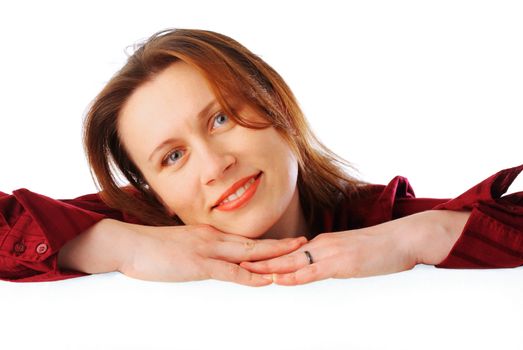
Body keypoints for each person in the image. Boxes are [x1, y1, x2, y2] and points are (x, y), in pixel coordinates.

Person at [1, 29, 522, 286]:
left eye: (222, 118)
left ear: (278, 108)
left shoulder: (378, 219)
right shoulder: (129, 227)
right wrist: (112, 243)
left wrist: (418, 236)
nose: (214, 165)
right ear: (152, 191)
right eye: (173, 157)